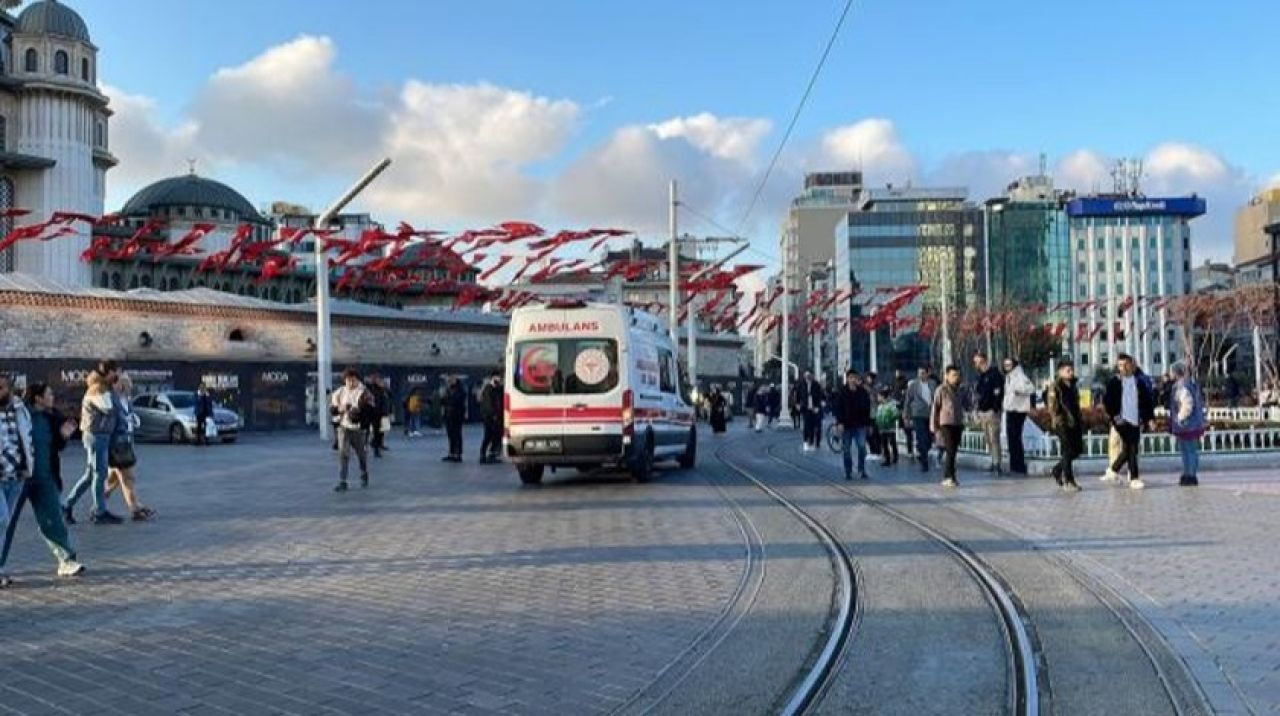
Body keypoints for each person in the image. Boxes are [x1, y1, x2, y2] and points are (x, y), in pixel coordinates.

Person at [0, 378, 84, 588]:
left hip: (42, 477)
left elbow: (56, 445)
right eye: (49, 394)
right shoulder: (24, 412)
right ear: (38, 398)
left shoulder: (49, 417)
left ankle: (66, 560)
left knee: (52, 518)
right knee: (5, 523)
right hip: (16, 477)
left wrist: (64, 436)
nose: (53, 398)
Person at [65, 363, 124, 524]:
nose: (118, 376)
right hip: (96, 436)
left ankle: (66, 506)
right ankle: (99, 511)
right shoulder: (98, 388)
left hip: (100, 435)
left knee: (91, 475)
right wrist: (116, 394)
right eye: (117, 372)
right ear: (109, 372)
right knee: (99, 474)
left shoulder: (103, 387)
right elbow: (109, 409)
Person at [103, 373, 154, 521]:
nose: (129, 387)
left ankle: (100, 500)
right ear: (118, 385)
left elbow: (129, 417)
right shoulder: (111, 400)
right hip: (117, 444)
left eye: (130, 384)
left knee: (115, 478)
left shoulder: (127, 401)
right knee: (128, 477)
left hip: (127, 442)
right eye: (126, 383)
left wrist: (132, 421)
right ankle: (135, 509)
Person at [1102, 353, 1155, 490]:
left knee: (1129, 449)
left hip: (1135, 420)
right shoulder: (1114, 382)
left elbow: (1147, 402)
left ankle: (1113, 470)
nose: (1123, 368)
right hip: (1121, 420)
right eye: (1120, 365)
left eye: (1126, 365)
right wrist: (1115, 417)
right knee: (1131, 447)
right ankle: (1134, 478)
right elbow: (1108, 402)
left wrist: (1150, 419)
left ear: (1132, 365)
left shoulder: (1139, 382)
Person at [330, 368, 372, 492]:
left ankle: (364, 473)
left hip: (358, 429)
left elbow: (370, 410)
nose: (351, 383)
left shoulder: (364, 392)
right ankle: (343, 481)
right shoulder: (339, 392)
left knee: (361, 454)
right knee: (343, 454)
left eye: (353, 380)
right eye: (348, 380)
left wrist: (357, 413)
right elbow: (332, 409)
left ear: (357, 380)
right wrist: (340, 409)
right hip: (343, 427)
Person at [1046, 361, 1083, 492]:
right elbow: (1052, 407)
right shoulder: (1056, 386)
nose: (1071, 373)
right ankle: (1069, 480)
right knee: (1067, 451)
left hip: (1074, 422)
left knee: (1077, 450)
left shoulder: (1073, 385)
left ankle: (1057, 469)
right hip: (1062, 423)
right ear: (1060, 372)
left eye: (1071, 370)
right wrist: (1059, 420)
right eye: (1068, 370)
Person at [1169, 362, 1206, 487]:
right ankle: (1188, 473)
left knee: (1189, 450)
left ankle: (1191, 474)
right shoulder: (1190, 384)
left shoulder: (1182, 386)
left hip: (1187, 424)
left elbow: (1187, 404)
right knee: (1187, 450)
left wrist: (1180, 418)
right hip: (1192, 423)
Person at [832, 369, 872, 480]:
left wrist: (868, 424)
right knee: (846, 449)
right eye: (851, 378)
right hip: (846, 425)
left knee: (862, 447)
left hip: (860, 424)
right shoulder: (842, 392)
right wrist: (839, 422)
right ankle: (848, 471)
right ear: (848, 379)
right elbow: (837, 408)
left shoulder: (862, 392)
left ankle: (861, 469)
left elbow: (867, 409)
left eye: (855, 377)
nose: (853, 380)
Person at [931, 365, 966, 488]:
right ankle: (947, 476)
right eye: (953, 375)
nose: (956, 378)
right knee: (950, 450)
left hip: (957, 423)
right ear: (946, 376)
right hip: (946, 423)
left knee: (954, 451)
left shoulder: (959, 390)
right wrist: (934, 427)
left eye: (957, 375)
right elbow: (935, 409)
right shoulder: (941, 390)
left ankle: (952, 475)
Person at [1001, 358, 1035, 475]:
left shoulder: (1020, 375)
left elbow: (1030, 388)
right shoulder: (1009, 377)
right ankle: (1014, 465)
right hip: (1010, 409)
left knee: (1015, 438)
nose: (1006, 367)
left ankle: (1019, 466)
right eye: (1005, 365)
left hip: (1018, 410)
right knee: (1011, 439)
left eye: (1009, 365)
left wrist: (1019, 391)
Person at [972, 352, 1004, 475]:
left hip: (992, 411)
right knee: (988, 439)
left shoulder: (995, 374)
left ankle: (997, 464)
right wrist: (977, 410)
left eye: (979, 362)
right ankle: (993, 460)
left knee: (994, 438)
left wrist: (995, 408)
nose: (977, 365)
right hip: (983, 412)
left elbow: (998, 393)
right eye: (975, 362)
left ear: (985, 361)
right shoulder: (980, 376)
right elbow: (978, 394)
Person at [905, 367, 935, 472]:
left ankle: (922, 451)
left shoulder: (933, 383)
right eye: (919, 373)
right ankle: (924, 461)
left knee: (929, 438)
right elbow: (908, 400)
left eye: (922, 373)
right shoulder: (913, 385)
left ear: (927, 374)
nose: (920, 375)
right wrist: (906, 415)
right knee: (921, 437)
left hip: (931, 414)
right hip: (918, 414)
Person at [795, 371, 825, 452]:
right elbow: (798, 395)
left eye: (809, 376)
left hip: (815, 409)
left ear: (812, 376)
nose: (807, 377)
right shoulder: (801, 385)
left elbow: (820, 396)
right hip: (806, 408)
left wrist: (818, 406)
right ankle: (806, 442)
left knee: (816, 426)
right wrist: (797, 404)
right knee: (807, 426)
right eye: (806, 376)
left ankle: (815, 442)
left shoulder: (816, 385)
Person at [478, 373, 503, 463]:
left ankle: (493, 454)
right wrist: (493, 414)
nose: (499, 379)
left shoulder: (499, 389)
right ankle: (483, 455)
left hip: (497, 417)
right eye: (498, 377)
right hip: (489, 417)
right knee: (488, 436)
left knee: (496, 436)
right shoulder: (488, 389)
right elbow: (488, 404)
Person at [366, 372, 391, 458]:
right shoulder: (369, 388)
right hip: (372, 412)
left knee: (381, 431)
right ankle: (374, 446)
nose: (376, 380)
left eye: (377, 378)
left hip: (382, 412)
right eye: (374, 378)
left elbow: (389, 396)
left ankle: (377, 445)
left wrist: (384, 387)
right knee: (372, 431)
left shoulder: (382, 389)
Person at [442, 375, 466, 462]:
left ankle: (458, 454)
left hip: (456, 415)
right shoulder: (449, 390)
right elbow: (445, 400)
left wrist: (447, 400)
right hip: (449, 415)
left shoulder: (460, 390)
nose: (449, 382)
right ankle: (452, 453)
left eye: (451, 380)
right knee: (451, 435)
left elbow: (455, 400)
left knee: (457, 435)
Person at [874, 387, 900, 466]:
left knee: (892, 443)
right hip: (882, 429)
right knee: (884, 444)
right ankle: (887, 459)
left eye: (879, 396)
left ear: (882, 396)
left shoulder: (891, 405)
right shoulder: (879, 407)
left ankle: (895, 457)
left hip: (890, 428)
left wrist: (890, 419)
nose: (878, 398)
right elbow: (878, 417)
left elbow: (896, 414)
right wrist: (878, 424)